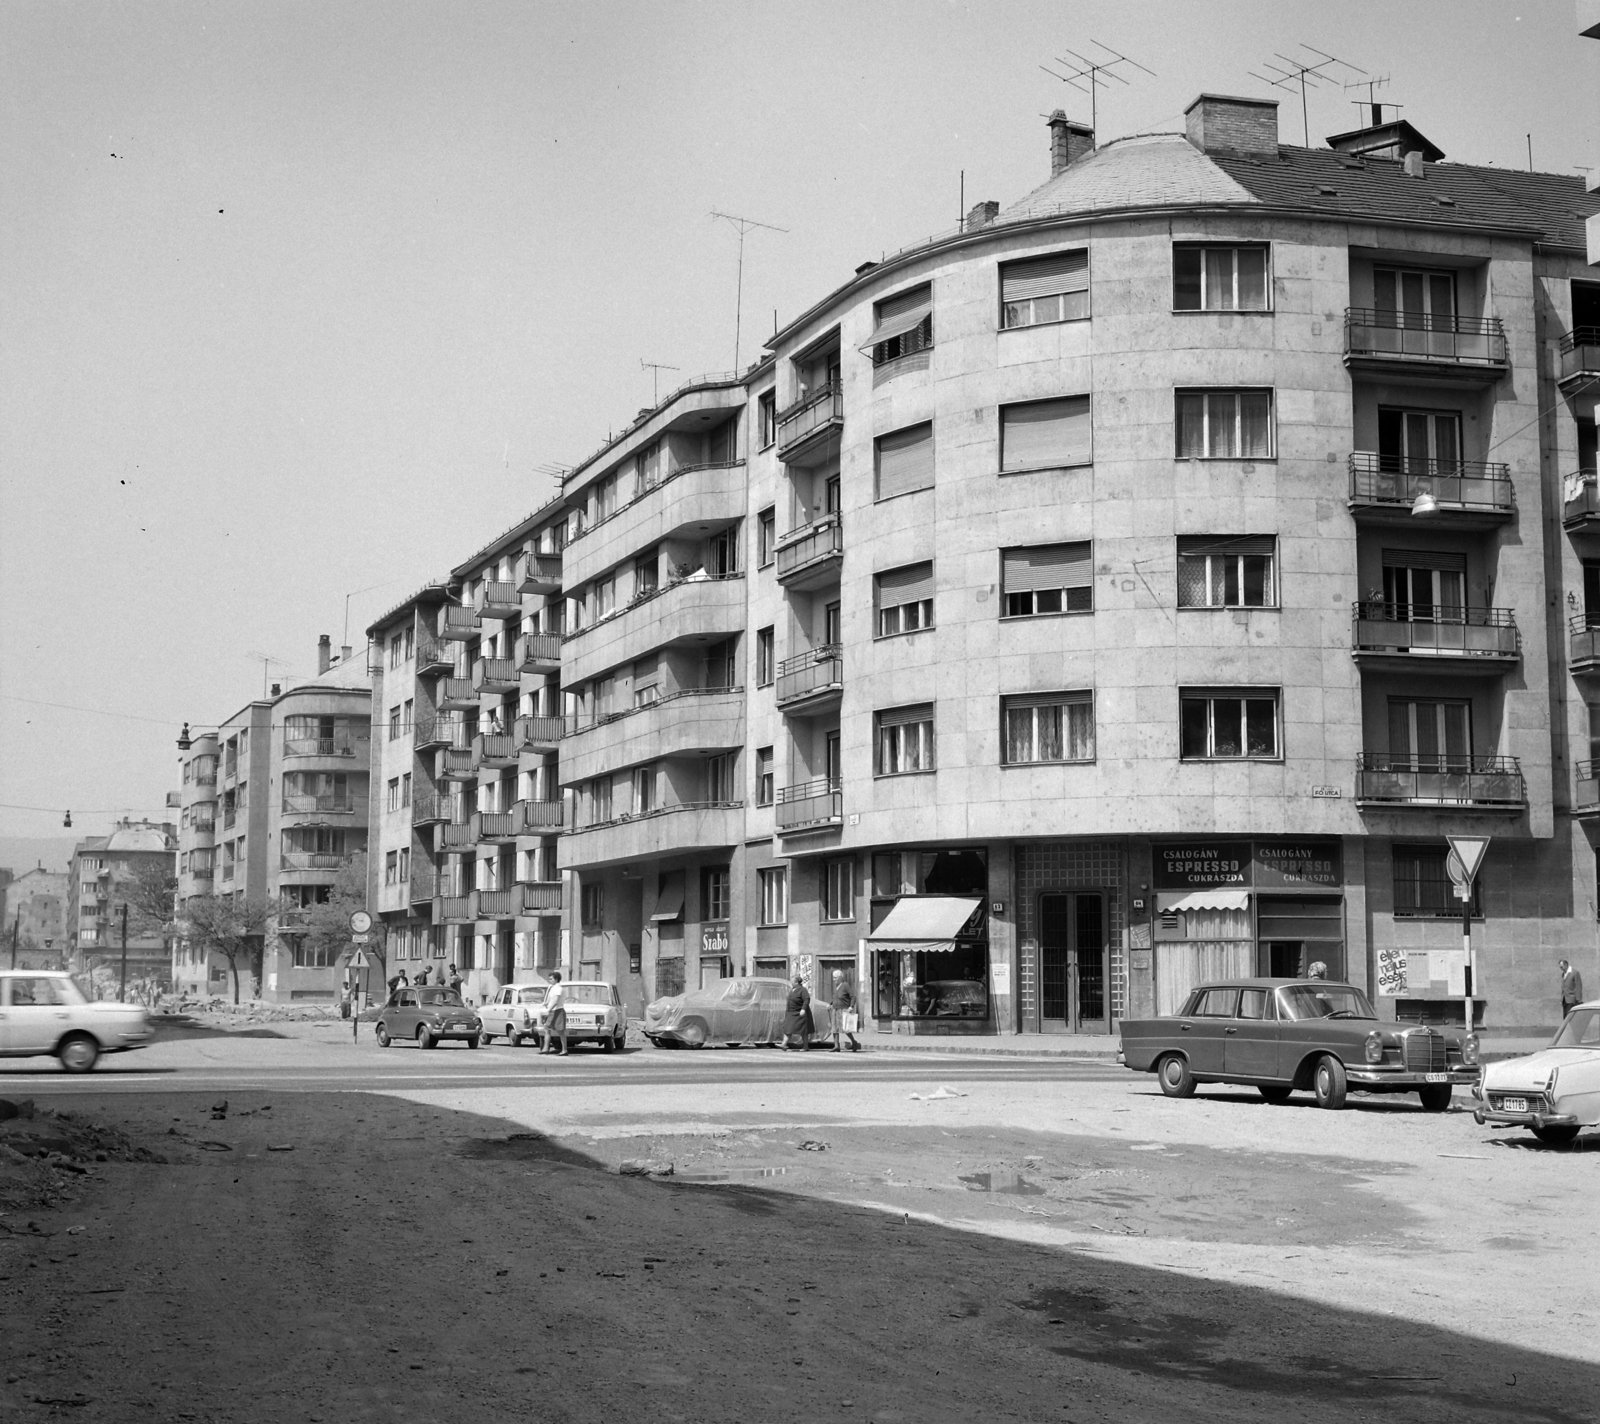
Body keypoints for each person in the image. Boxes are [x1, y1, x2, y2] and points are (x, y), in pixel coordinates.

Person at [829, 970, 860, 1054]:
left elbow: (853, 996)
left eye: (835, 977)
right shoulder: (836, 986)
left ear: (840, 978)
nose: (834, 979)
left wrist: (851, 1006)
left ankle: (854, 1042)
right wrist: (831, 1004)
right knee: (834, 1029)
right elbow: (835, 997)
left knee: (846, 1029)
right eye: (833, 977)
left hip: (843, 1009)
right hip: (835, 1009)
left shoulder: (845, 985)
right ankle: (836, 1046)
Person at [782, 974, 813, 1052]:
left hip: (799, 1012)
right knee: (788, 1028)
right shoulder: (793, 989)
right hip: (791, 1013)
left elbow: (806, 999)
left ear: (796, 982)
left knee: (803, 1030)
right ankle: (784, 1044)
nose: (791, 982)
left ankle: (805, 1046)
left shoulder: (802, 990)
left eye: (792, 981)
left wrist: (803, 1009)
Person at [543, 971, 569, 1056]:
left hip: (558, 1011)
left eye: (551, 979)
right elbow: (550, 999)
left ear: (556, 979)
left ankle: (564, 1050)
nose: (549, 980)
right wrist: (546, 1003)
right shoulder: (552, 988)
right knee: (547, 1028)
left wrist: (549, 1009)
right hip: (552, 1011)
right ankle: (546, 1048)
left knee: (560, 1031)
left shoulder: (559, 988)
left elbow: (556, 1000)